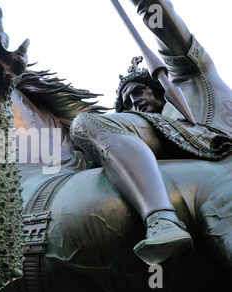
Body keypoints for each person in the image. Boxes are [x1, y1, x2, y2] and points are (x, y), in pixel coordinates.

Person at [70, 0, 232, 265]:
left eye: (137, 93)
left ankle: (161, 218)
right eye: (127, 104)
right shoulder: (141, 145)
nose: (134, 105)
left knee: (88, 124)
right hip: (175, 162)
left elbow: (166, 24)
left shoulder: (193, 80)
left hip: (219, 148)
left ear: (156, 87)